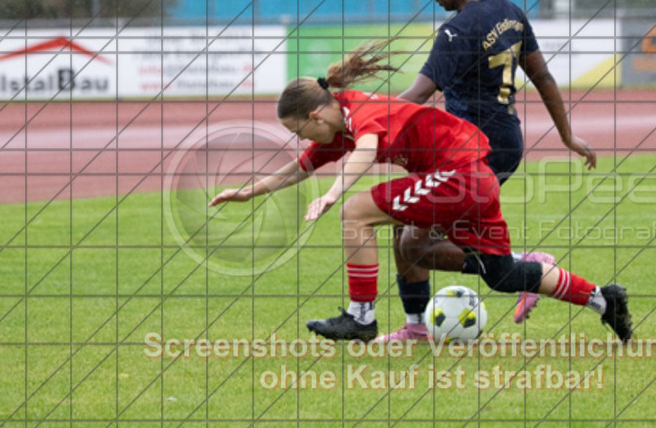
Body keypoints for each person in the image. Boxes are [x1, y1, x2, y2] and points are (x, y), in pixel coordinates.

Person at [209, 43, 631, 344]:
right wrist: (248, 192)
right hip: (470, 177)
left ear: (315, 115)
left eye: (298, 129)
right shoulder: (341, 122)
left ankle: (361, 318)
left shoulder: (361, 113)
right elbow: (301, 167)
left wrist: (336, 194)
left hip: (458, 173)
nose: (301, 138)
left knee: (358, 213)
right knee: (490, 270)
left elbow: (369, 150)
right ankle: (603, 300)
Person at [383, 0, 598, 341]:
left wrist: (359, 113)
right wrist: (567, 136)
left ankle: (522, 267)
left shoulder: (455, 33)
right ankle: (416, 327)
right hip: (503, 143)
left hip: (473, 153)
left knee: (415, 243)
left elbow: (415, 97)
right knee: (403, 222)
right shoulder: (509, 11)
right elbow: (543, 77)